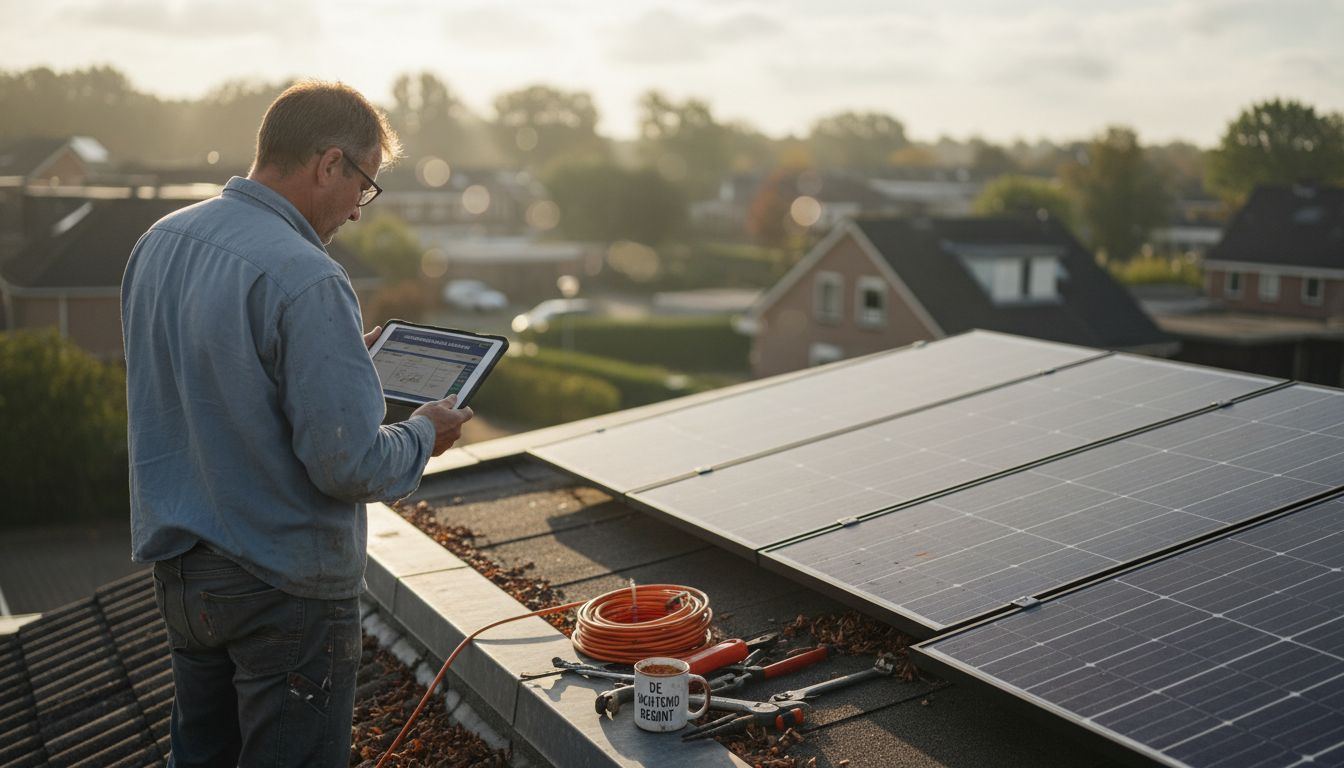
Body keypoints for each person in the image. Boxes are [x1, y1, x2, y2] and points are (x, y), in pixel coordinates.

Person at [121, 81, 471, 767]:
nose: (358, 212)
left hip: (185, 578)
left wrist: (336, 361)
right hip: (280, 588)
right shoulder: (307, 276)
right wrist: (426, 433)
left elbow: (209, 387)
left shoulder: (160, 242)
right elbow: (348, 465)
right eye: (364, 185)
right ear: (329, 164)